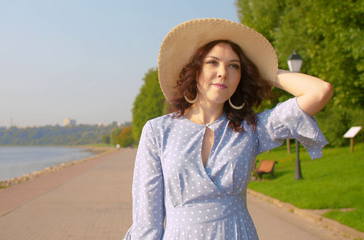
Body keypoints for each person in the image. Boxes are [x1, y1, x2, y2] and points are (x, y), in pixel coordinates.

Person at [123, 18, 333, 240]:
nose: (223, 72)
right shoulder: (158, 131)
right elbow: (147, 221)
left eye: (234, 66)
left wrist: (267, 71)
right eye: (212, 62)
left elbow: (320, 91)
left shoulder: (252, 129)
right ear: (195, 70)